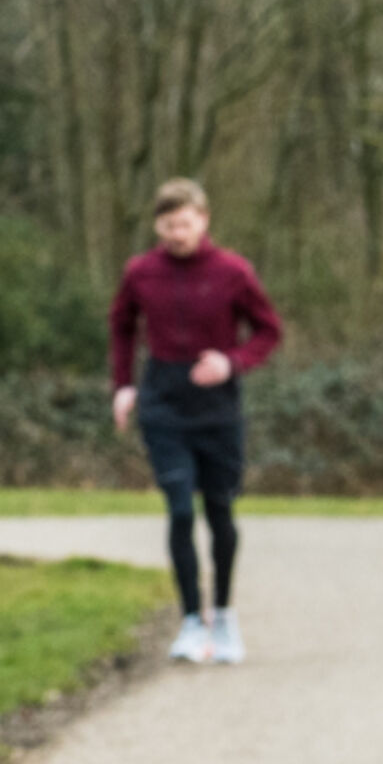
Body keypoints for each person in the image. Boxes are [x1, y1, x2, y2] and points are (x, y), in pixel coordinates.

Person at [110, 177, 281, 665]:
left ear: (203, 220)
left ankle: (223, 617)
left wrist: (233, 361)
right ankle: (190, 622)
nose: (176, 234)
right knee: (180, 509)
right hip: (163, 399)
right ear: (156, 226)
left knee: (220, 512)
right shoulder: (141, 273)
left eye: (184, 224)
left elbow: (269, 330)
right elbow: (121, 327)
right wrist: (123, 385)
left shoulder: (232, 271)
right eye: (167, 226)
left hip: (217, 405)